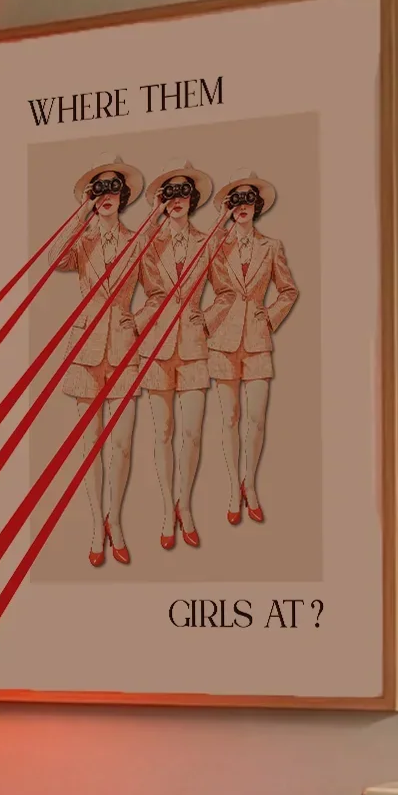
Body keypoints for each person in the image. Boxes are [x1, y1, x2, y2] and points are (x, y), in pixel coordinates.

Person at [55, 157, 147, 567]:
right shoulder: (83, 240)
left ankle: (116, 520)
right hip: (87, 348)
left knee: (122, 444)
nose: (107, 196)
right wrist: (80, 214)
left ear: (124, 197)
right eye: (99, 190)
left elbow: (163, 291)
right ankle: (96, 524)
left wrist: (136, 320)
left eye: (113, 190)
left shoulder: (139, 240)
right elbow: (55, 260)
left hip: (125, 348)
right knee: (90, 445)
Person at [204, 174, 298, 524]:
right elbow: (194, 279)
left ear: (257, 206)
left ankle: (250, 484)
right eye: (235, 201)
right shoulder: (215, 246)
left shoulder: (272, 246)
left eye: (248, 201)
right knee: (229, 418)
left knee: (256, 419)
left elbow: (288, 290)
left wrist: (269, 316)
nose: (242, 206)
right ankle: (233, 487)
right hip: (222, 341)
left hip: (257, 340)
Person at [135, 164, 214, 551]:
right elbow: (125, 289)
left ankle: (186, 504)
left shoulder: (208, 240)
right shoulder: (147, 245)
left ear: (193, 200)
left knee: (193, 433)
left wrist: (209, 318)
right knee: (163, 432)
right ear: (161, 202)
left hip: (196, 347)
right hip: (157, 346)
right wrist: (133, 328)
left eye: (184, 194)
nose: (178, 200)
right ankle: (168, 510)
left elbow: (230, 290)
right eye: (170, 194)